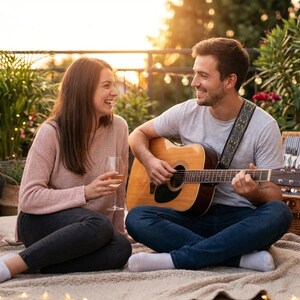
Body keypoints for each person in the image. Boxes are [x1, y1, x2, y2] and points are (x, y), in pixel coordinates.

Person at [125, 37, 292, 272]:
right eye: (195, 74)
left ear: (229, 81)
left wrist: (255, 194)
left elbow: (274, 195)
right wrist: (150, 161)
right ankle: (236, 258)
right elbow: (137, 135)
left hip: (238, 220)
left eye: (204, 76)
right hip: (190, 217)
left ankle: (175, 260)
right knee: (136, 217)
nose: (194, 82)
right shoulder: (186, 112)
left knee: (279, 214)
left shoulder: (263, 126)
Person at [0, 57, 132, 283]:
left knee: (120, 249)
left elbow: (119, 183)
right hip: (40, 222)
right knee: (98, 225)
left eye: (113, 85)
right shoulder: (51, 132)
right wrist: (86, 193)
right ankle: (13, 264)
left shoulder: (118, 126)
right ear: (84, 89)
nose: (114, 93)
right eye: (106, 86)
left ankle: (39, 264)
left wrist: (118, 228)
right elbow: (30, 198)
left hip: (87, 231)